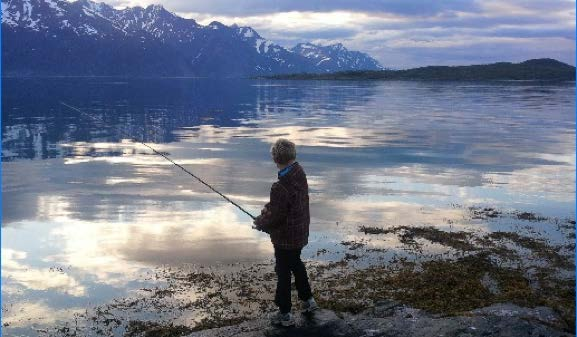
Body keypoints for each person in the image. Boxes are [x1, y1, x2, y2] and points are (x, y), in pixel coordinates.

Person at [253, 138, 319, 327]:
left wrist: (260, 222)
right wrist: (269, 208)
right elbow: (284, 205)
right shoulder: (300, 174)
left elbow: (277, 217)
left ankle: (285, 314)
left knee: (282, 272)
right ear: (293, 154)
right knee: (296, 264)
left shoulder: (279, 186)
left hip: (285, 239)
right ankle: (308, 301)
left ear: (275, 159)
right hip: (300, 233)